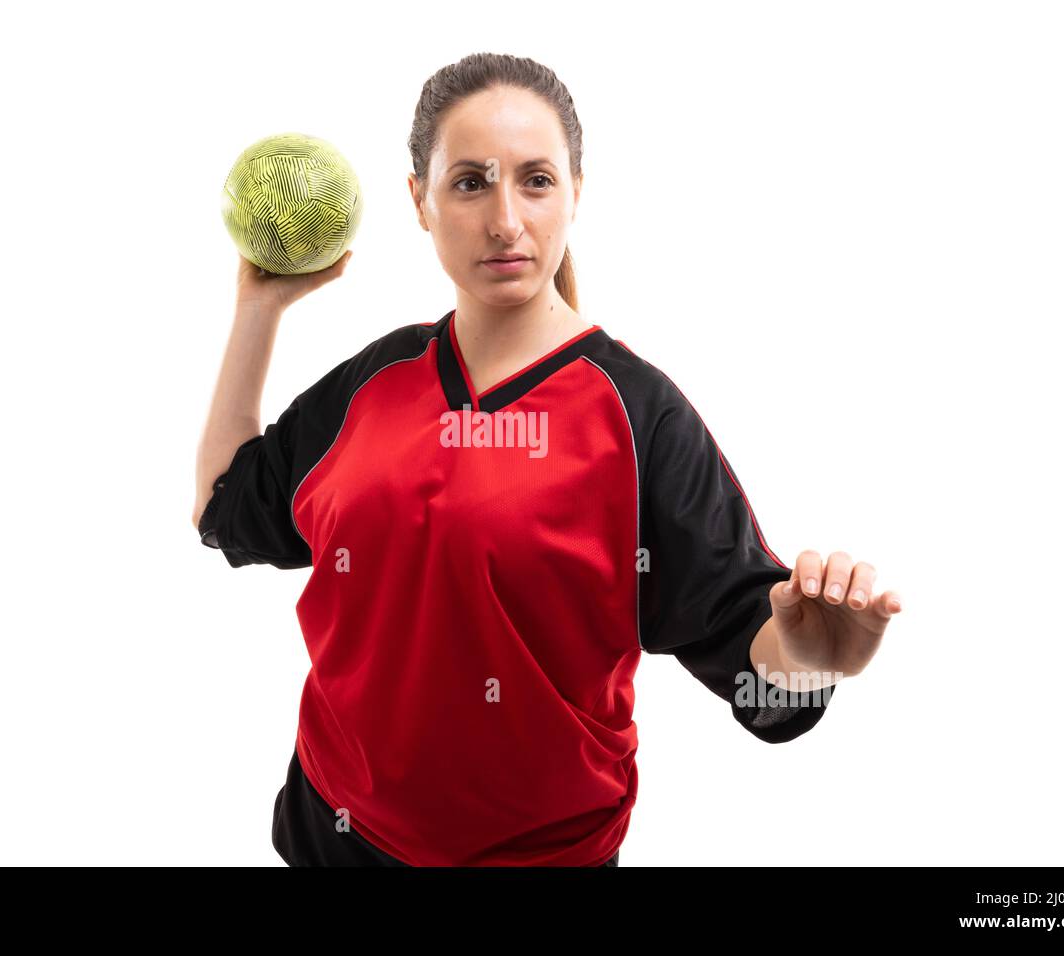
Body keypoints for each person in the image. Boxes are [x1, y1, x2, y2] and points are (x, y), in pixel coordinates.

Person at [192, 53, 903, 867]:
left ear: (575, 192)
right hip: (331, 836)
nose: (505, 221)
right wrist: (258, 308)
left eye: (535, 180)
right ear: (418, 201)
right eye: (469, 183)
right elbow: (226, 506)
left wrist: (811, 664)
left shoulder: (638, 418)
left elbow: (754, 650)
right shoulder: (373, 382)